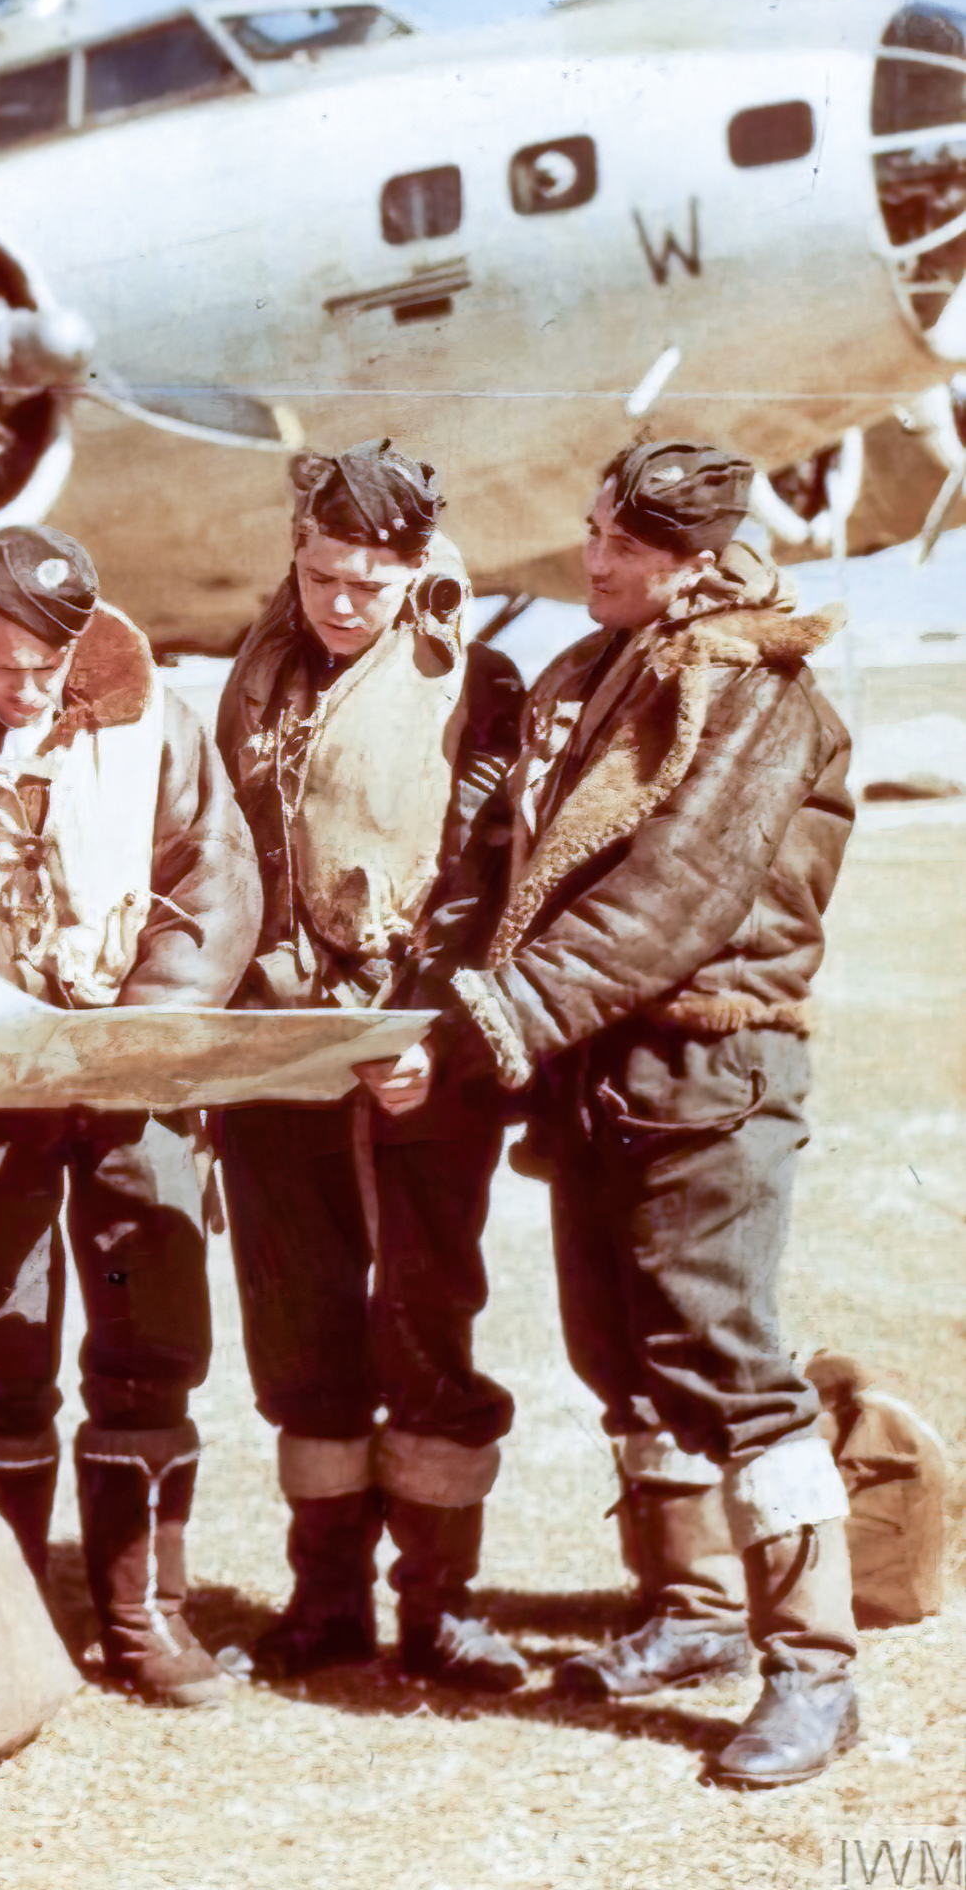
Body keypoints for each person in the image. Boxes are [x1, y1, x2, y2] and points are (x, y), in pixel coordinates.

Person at [433, 440, 857, 1787]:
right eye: (595, 530)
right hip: (608, 1074)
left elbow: (674, 895)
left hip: (710, 1078)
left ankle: (817, 1669)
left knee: (728, 1365)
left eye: (619, 545)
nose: (591, 557)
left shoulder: (758, 691)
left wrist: (504, 1016)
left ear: (687, 566)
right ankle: (691, 1611)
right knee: (624, 1353)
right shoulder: (602, 670)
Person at [0, 524, 260, 1706]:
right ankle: (9, 1624)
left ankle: (145, 1615)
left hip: (125, 1071)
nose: (32, 686)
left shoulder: (150, 712)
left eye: (52, 663)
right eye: (7, 666)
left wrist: (140, 1035)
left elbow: (213, 873)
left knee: (153, 1347)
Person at [211, 442, 531, 1692]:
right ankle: (324, 1595)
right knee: (300, 1329)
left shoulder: (476, 685)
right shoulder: (256, 672)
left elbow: (489, 876)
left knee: (426, 1320)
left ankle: (440, 1604)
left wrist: (434, 1037)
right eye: (321, 573)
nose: (341, 603)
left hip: (417, 1064)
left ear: (414, 571)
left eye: (369, 583)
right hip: (277, 1055)